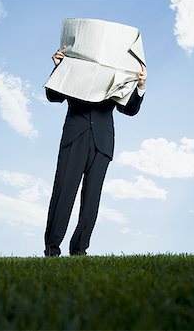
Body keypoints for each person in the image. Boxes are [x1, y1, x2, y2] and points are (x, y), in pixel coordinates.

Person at [44, 46, 147, 256]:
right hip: (75, 137)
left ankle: (79, 250)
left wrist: (140, 86)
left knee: (92, 199)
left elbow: (129, 110)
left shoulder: (116, 73)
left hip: (102, 141)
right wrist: (58, 68)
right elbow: (54, 97)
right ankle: (52, 249)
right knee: (63, 193)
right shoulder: (74, 68)